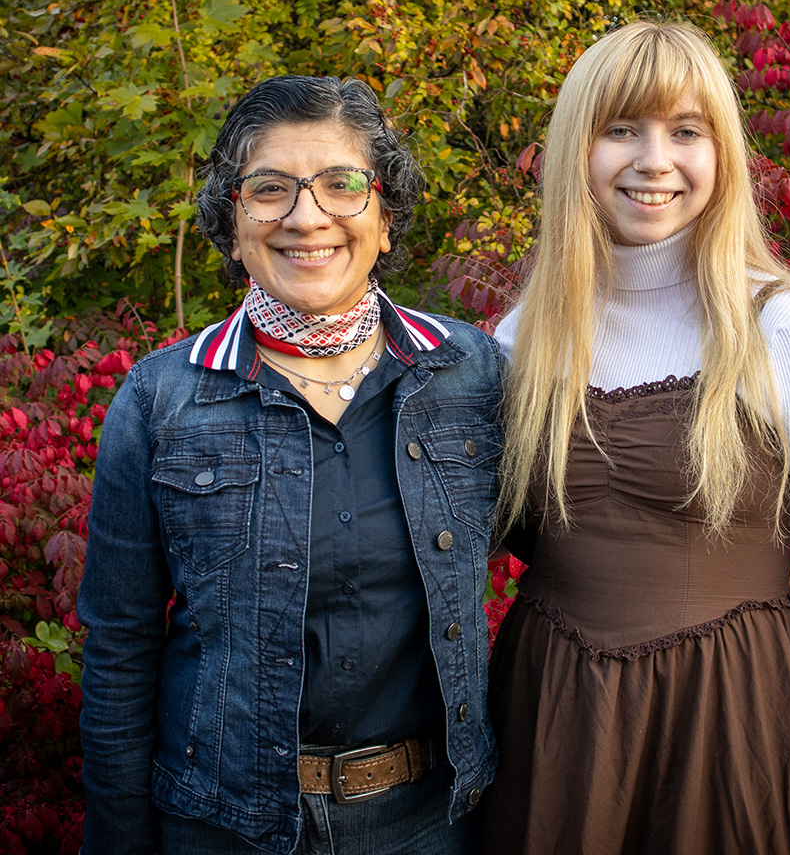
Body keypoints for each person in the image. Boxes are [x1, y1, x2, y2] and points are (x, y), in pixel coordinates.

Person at [481, 21, 790, 855]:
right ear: (577, 147)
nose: (653, 159)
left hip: (727, 729)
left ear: (723, 152)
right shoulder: (518, 339)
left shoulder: (786, 327)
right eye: (621, 130)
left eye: (685, 131)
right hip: (553, 731)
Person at [77, 76, 503, 855]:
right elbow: (118, 650)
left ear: (384, 216)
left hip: (429, 823)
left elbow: (573, 543)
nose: (306, 217)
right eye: (270, 189)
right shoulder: (160, 400)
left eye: (341, 185)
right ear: (233, 222)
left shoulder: (469, 373)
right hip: (220, 826)